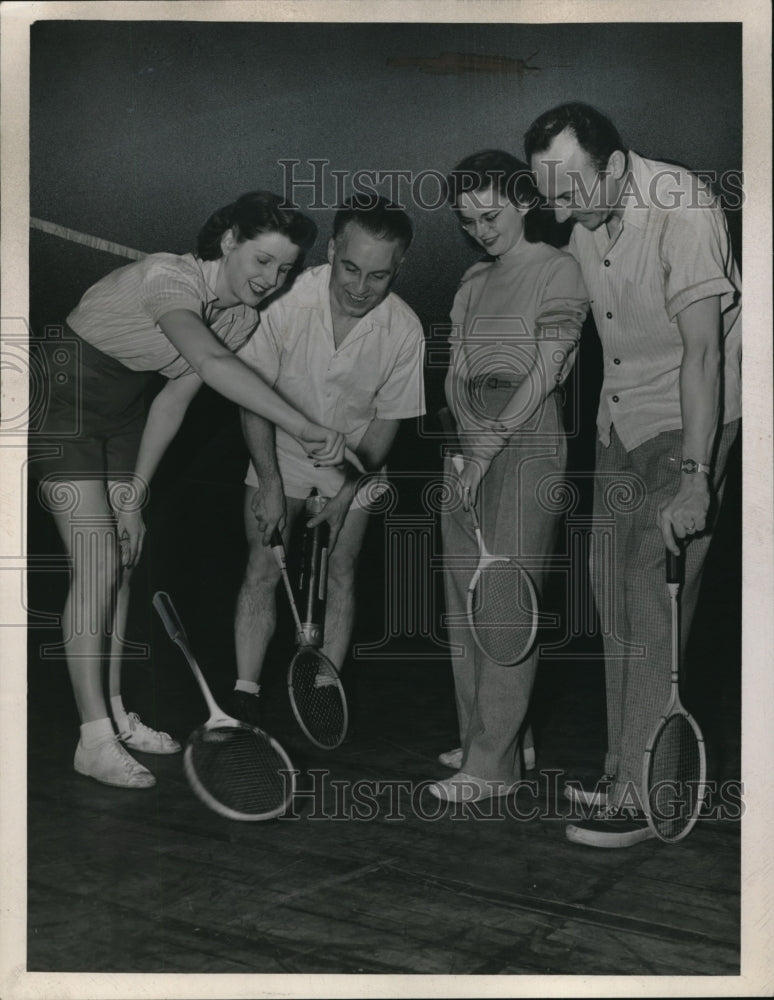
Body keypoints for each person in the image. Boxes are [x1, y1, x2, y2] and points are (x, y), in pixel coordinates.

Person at [33, 191, 346, 790]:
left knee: (122, 561)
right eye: (261, 261)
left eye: (284, 269)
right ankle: (92, 738)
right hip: (62, 399)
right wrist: (302, 426)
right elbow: (207, 363)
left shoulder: (239, 316)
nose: (270, 280)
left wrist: (137, 495)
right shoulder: (167, 277)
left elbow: (173, 399)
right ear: (228, 242)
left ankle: (117, 713)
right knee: (96, 563)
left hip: (126, 413)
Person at [526, 102, 742, 847]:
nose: (557, 211)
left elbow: (706, 355)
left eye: (567, 190)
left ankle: (649, 800)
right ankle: (626, 770)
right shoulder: (585, 223)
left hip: (691, 420)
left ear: (614, 166)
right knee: (610, 593)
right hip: (619, 423)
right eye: (545, 194)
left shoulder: (682, 208)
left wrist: (696, 477)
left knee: (652, 593)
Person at [231, 195, 425, 727]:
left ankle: (322, 690)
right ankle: (245, 693)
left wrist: (345, 495)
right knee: (262, 565)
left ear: (399, 267)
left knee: (340, 568)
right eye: (351, 268)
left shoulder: (405, 331)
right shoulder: (283, 300)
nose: (361, 288)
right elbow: (252, 398)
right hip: (278, 451)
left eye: (379, 276)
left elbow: (387, 426)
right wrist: (270, 483)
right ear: (334, 249)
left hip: (357, 462)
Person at [432, 150, 589, 803]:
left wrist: (491, 444)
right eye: (469, 221)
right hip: (471, 435)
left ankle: (493, 769)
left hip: (527, 437)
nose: (481, 230)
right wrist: (465, 445)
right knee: (465, 599)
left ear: (524, 201)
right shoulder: (471, 280)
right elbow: (455, 368)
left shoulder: (560, 269)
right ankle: (488, 738)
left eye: (490, 215)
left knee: (505, 602)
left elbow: (549, 367)